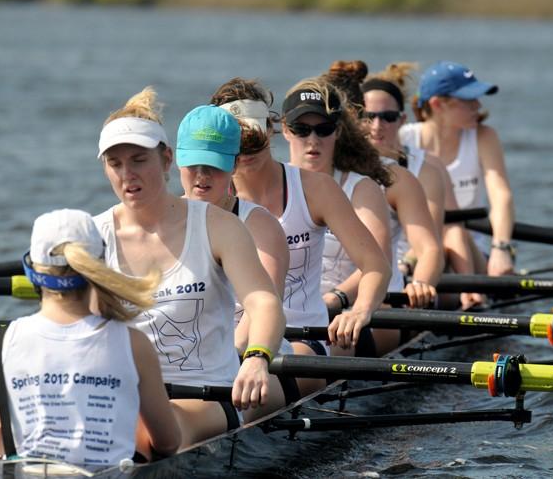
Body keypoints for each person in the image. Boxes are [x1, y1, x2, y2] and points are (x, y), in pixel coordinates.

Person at [93, 87, 285, 446]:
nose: (127, 175)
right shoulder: (94, 236)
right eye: (115, 163)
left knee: (146, 431)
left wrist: (258, 357)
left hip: (207, 395)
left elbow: (265, 303)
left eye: (138, 160)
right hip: (124, 395)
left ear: (165, 160)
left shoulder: (218, 225)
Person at [0, 209, 180, 466]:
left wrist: (2, 421)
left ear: (31, 270)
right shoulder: (134, 344)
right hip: (108, 471)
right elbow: (169, 441)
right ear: (98, 267)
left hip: (24, 471)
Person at [211, 78, 390, 380]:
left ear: (271, 128)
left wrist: (359, 310)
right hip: (229, 341)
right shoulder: (209, 197)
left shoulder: (316, 189)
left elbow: (376, 266)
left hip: (301, 340)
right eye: (235, 136)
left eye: (254, 132)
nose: (246, 146)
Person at [281, 69, 441, 356]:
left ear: (338, 130)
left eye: (324, 129)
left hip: (365, 308)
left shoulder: (368, 185)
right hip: (297, 312)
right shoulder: (271, 185)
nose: (313, 139)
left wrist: (338, 298)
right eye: (302, 130)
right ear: (284, 129)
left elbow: (382, 260)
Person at [175, 103, 297, 419]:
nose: (201, 177)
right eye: (193, 164)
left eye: (213, 166)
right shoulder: (164, 222)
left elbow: (262, 311)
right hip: (187, 364)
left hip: (253, 360)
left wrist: (230, 358)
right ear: (176, 160)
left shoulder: (259, 225)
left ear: (234, 165)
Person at [362, 63, 484, 309]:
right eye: (368, 116)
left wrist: (409, 268)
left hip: (416, 268)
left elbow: (433, 241)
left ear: (401, 120)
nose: (377, 126)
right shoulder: (337, 164)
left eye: (388, 117)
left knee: (455, 234)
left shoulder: (425, 168)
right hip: (366, 269)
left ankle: (468, 292)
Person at [402, 61, 515, 277]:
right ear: (437, 104)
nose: (478, 106)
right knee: (436, 239)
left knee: (453, 232)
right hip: (411, 251)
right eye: (468, 100)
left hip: (470, 252)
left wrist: (501, 248)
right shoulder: (404, 139)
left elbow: (501, 196)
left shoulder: (484, 137)